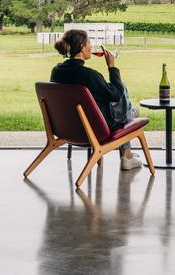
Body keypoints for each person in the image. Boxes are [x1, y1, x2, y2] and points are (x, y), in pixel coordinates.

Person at [50, 29, 143, 171]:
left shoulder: (56, 71)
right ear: (82, 47)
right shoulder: (90, 76)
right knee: (121, 88)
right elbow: (116, 95)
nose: (91, 47)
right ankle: (127, 143)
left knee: (119, 99)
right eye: (89, 42)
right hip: (93, 129)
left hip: (67, 128)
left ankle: (129, 116)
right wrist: (112, 67)